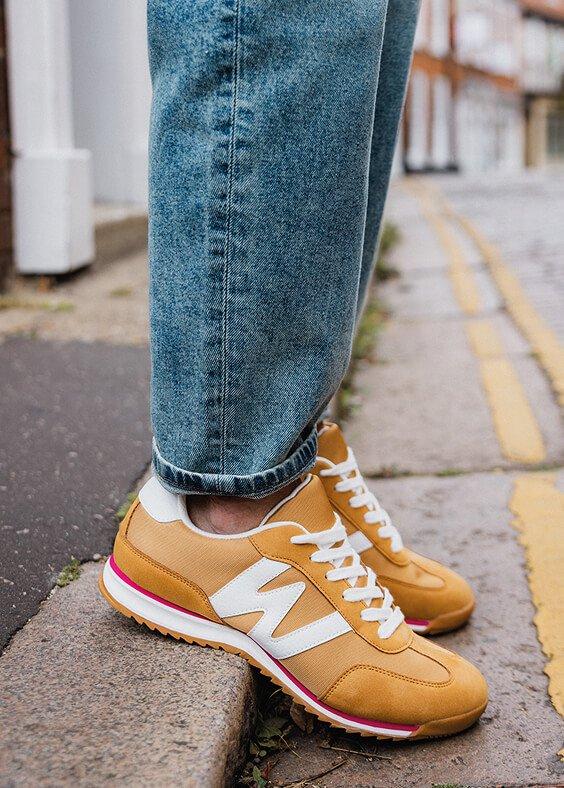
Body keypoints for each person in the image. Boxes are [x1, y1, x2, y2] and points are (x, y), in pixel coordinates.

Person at [100, 0, 488, 739]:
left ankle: (293, 449)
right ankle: (234, 507)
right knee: (279, 21)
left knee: (359, 45)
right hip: (229, 494)